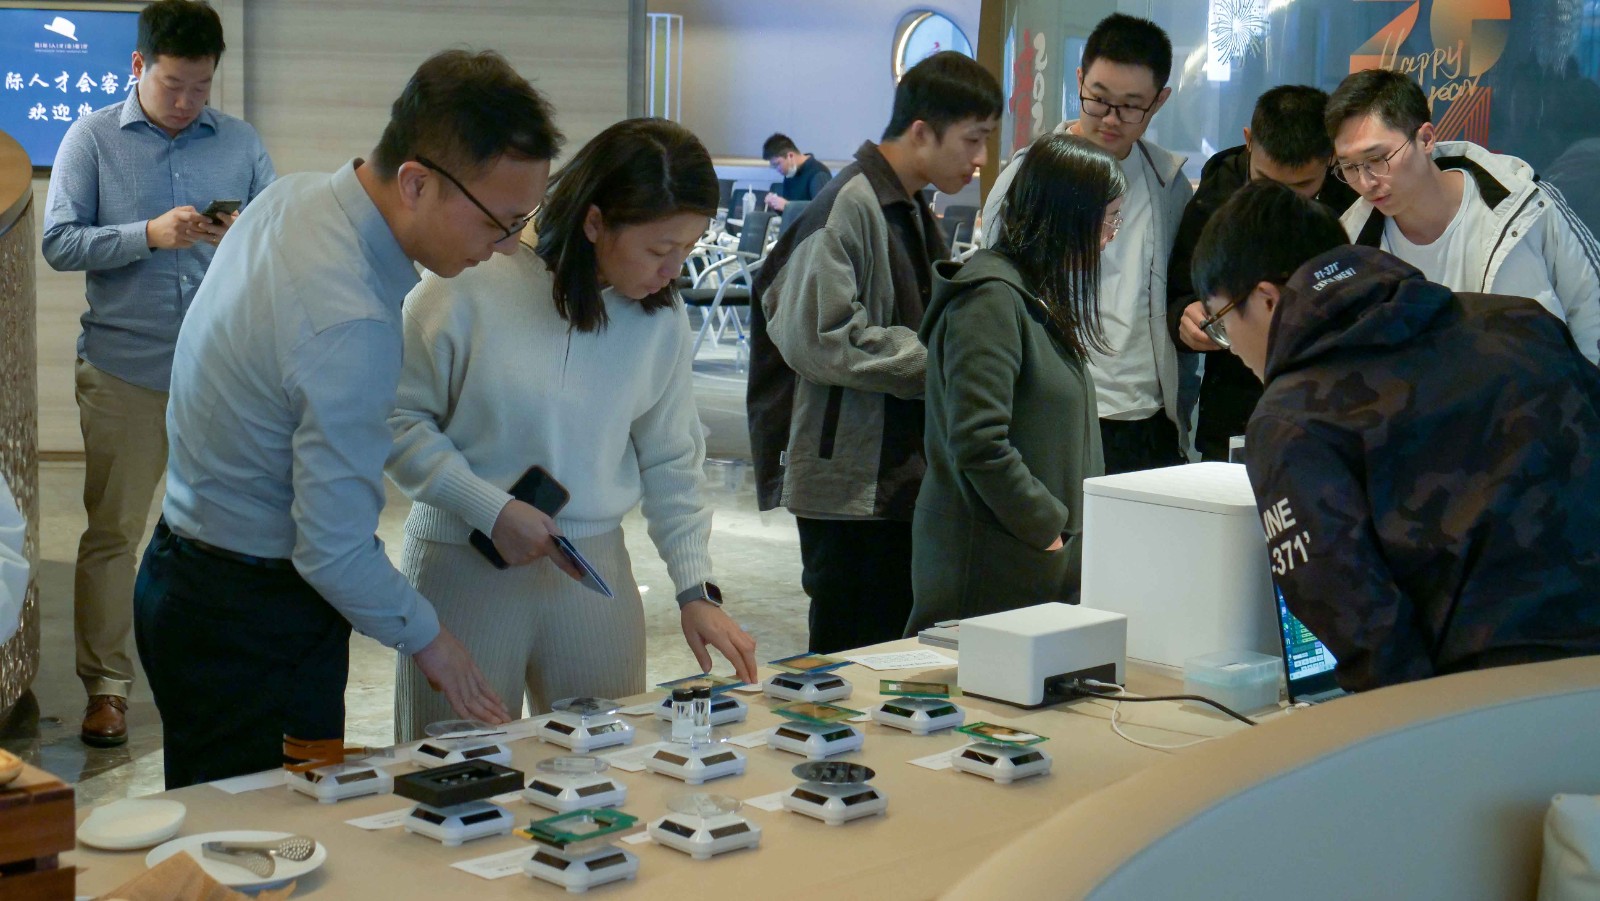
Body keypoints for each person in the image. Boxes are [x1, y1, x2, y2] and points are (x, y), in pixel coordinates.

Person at [133, 49, 559, 788]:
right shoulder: (350, 321)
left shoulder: (295, 196)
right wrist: (435, 642)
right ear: (416, 182)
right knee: (268, 833)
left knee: (225, 818)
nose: (500, 249)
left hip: (187, 570)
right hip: (250, 617)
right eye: (500, 223)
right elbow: (331, 551)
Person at [386, 118, 759, 741]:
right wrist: (490, 508)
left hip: (591, 569)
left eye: (687, 250)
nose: (673, 271)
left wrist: (695, 588)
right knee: (455, 766)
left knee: (610, 763)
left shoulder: (658, 319)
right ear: (594, 223)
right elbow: (397, 421)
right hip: (464, 559)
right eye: (659, 250)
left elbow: (672, 457)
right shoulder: (470, 277)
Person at [1191, 180, 1600, 692]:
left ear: (1267, 300)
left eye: (1222, 322)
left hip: (1491, 701)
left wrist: (1421, 732)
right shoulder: (1519, 323)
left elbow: (1363, 627)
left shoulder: (1293, 419)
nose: (1230, 346)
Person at [41, 0, 274, 749]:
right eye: (174, 84)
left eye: (202, 86)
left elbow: (277, 240)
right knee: (115, 532)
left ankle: (216, 671)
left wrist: (242, 238)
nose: (187, 101)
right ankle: (107, 688)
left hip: (221, 373)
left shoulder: (239, 143)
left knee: (226, 531)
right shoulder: (91, 138)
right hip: (125, 370)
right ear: (139, 66)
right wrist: (147, 234)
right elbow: (59, 242)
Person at [746, 51, 1002, 654]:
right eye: (973, 139)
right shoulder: (848, 205)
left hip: (890, 477)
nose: (981, 158)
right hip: (849, 485)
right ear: (922, 132)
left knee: (888, 655)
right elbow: (821, 337)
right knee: (849, 661)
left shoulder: (904, 203)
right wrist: (942, 364)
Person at [906, 133, 1121, 634]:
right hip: (993, 569)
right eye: (1108, 220)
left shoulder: (1031, 293)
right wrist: (1046, 526)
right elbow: (979, 441)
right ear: (1067, 214)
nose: (1111, 236)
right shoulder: (990, 300)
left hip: (1032, 566)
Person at [981, 13, 1194, 474]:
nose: (1111, 119)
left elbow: (1177, 291)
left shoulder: (1169, 185)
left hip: (1145, 417)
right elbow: (991, 295)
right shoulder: (1027, 176)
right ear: (1079, 80)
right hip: (1054, 414)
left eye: (1131, 106)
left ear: (1159, 101)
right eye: (1098, 100)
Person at [1327, 68, 1600, 364]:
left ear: (1426, 139)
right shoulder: (1349, 245)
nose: (1366, 182)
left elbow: (1591, 308)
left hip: (1542, 389)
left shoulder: (1525, 206)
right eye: (1349, 167)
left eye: (1378, 159)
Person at [1166, 85, 1357, 462]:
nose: (1279, 203)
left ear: (1331, 157)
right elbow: (1180, 290)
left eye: (1301, 187)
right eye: (1266, 182)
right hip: (1235, 407)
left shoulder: (1355, 192)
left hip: (1330, 402)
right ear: (1249, 142)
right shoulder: (1218, 191)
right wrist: (1184, 318)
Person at [761, 133, 832, 212]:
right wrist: (776, 205)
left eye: (777, 164)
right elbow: (789, 213)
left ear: (790, 156)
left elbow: (823, 210)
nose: (777, 169)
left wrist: (788, 206)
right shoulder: (790, 173)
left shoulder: (818, 174)